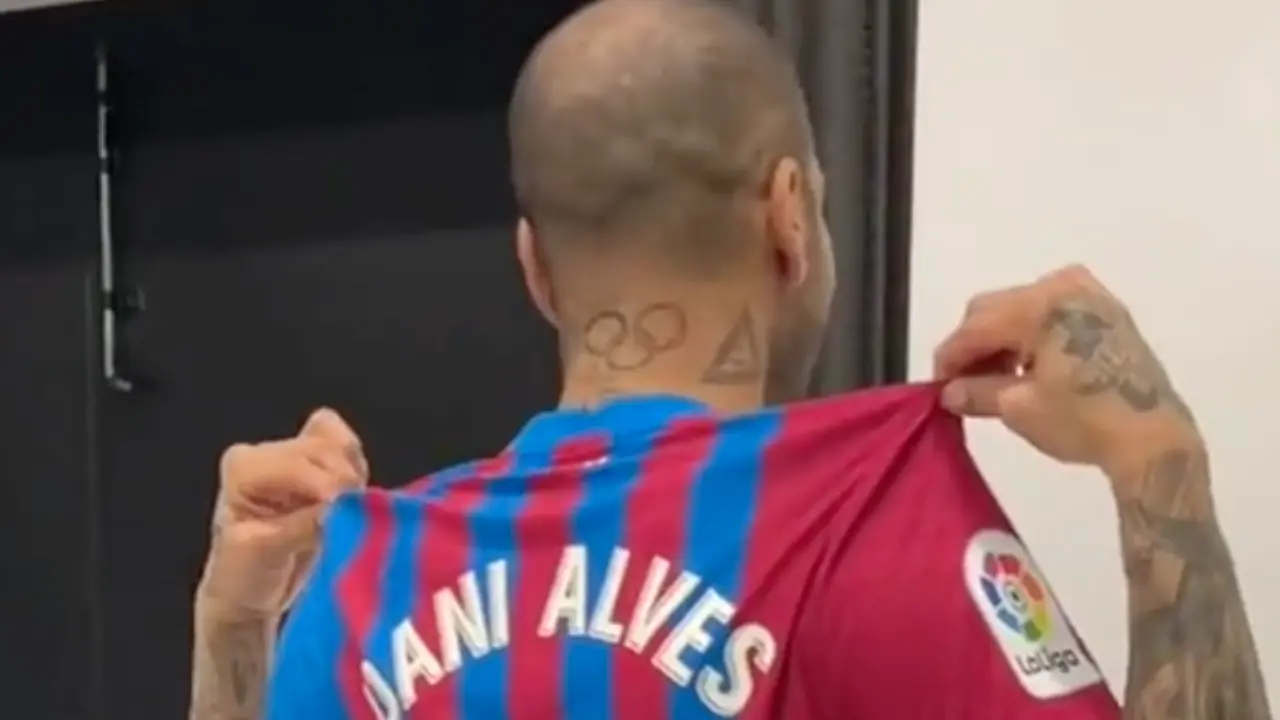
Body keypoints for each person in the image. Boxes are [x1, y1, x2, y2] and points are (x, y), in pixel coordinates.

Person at [188, 0, 1271, 718]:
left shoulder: (359, 589)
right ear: (789, 216)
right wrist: (1156, 460)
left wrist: (232, 629)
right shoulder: (868, 524)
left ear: (534, 266)